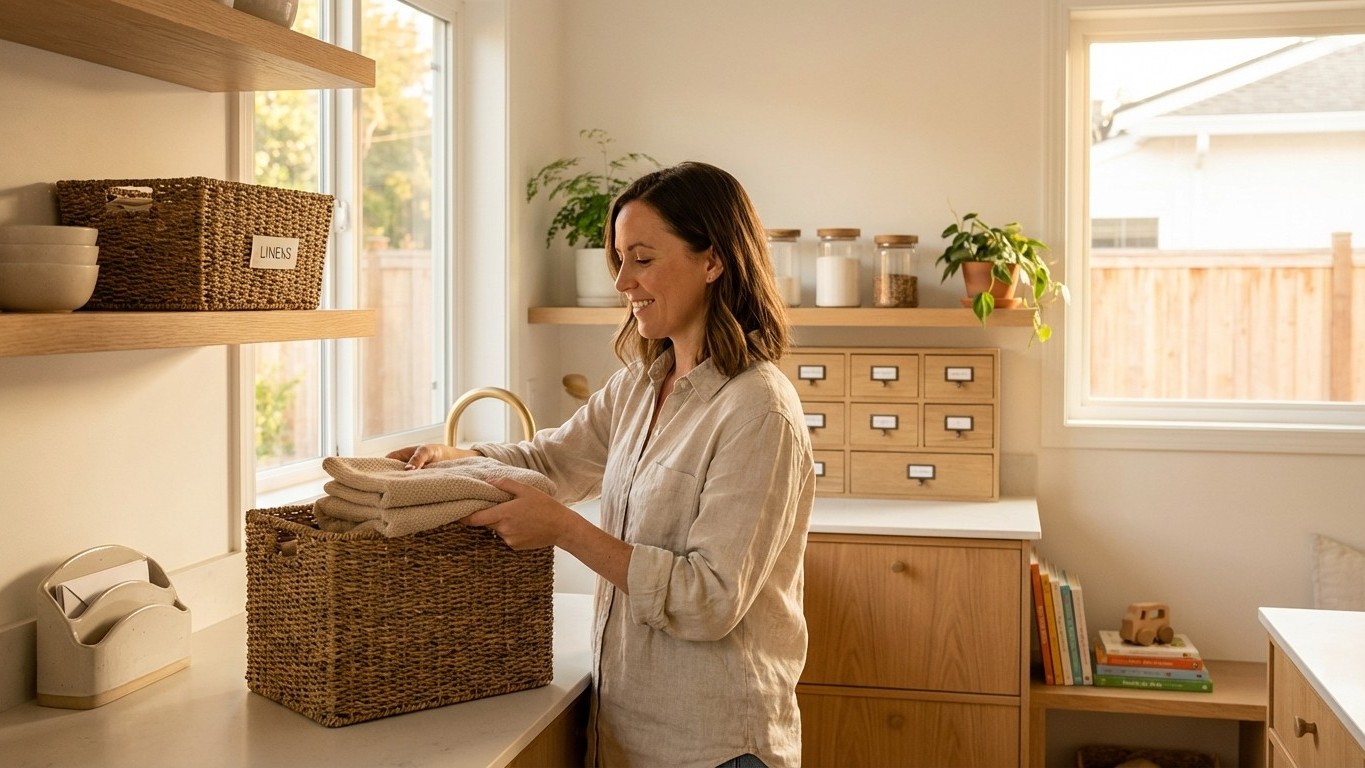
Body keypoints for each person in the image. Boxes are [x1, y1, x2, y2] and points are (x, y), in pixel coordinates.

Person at [389, 161, 814, 768]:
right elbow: (552, 461)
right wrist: (456, 459)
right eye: (619, 259)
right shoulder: (641, 384)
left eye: (642, 259)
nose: (622, 281)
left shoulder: (758, 409)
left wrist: (564, 530)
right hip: (627, 733)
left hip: (717, 747)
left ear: (713, 261)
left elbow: (710, 599)